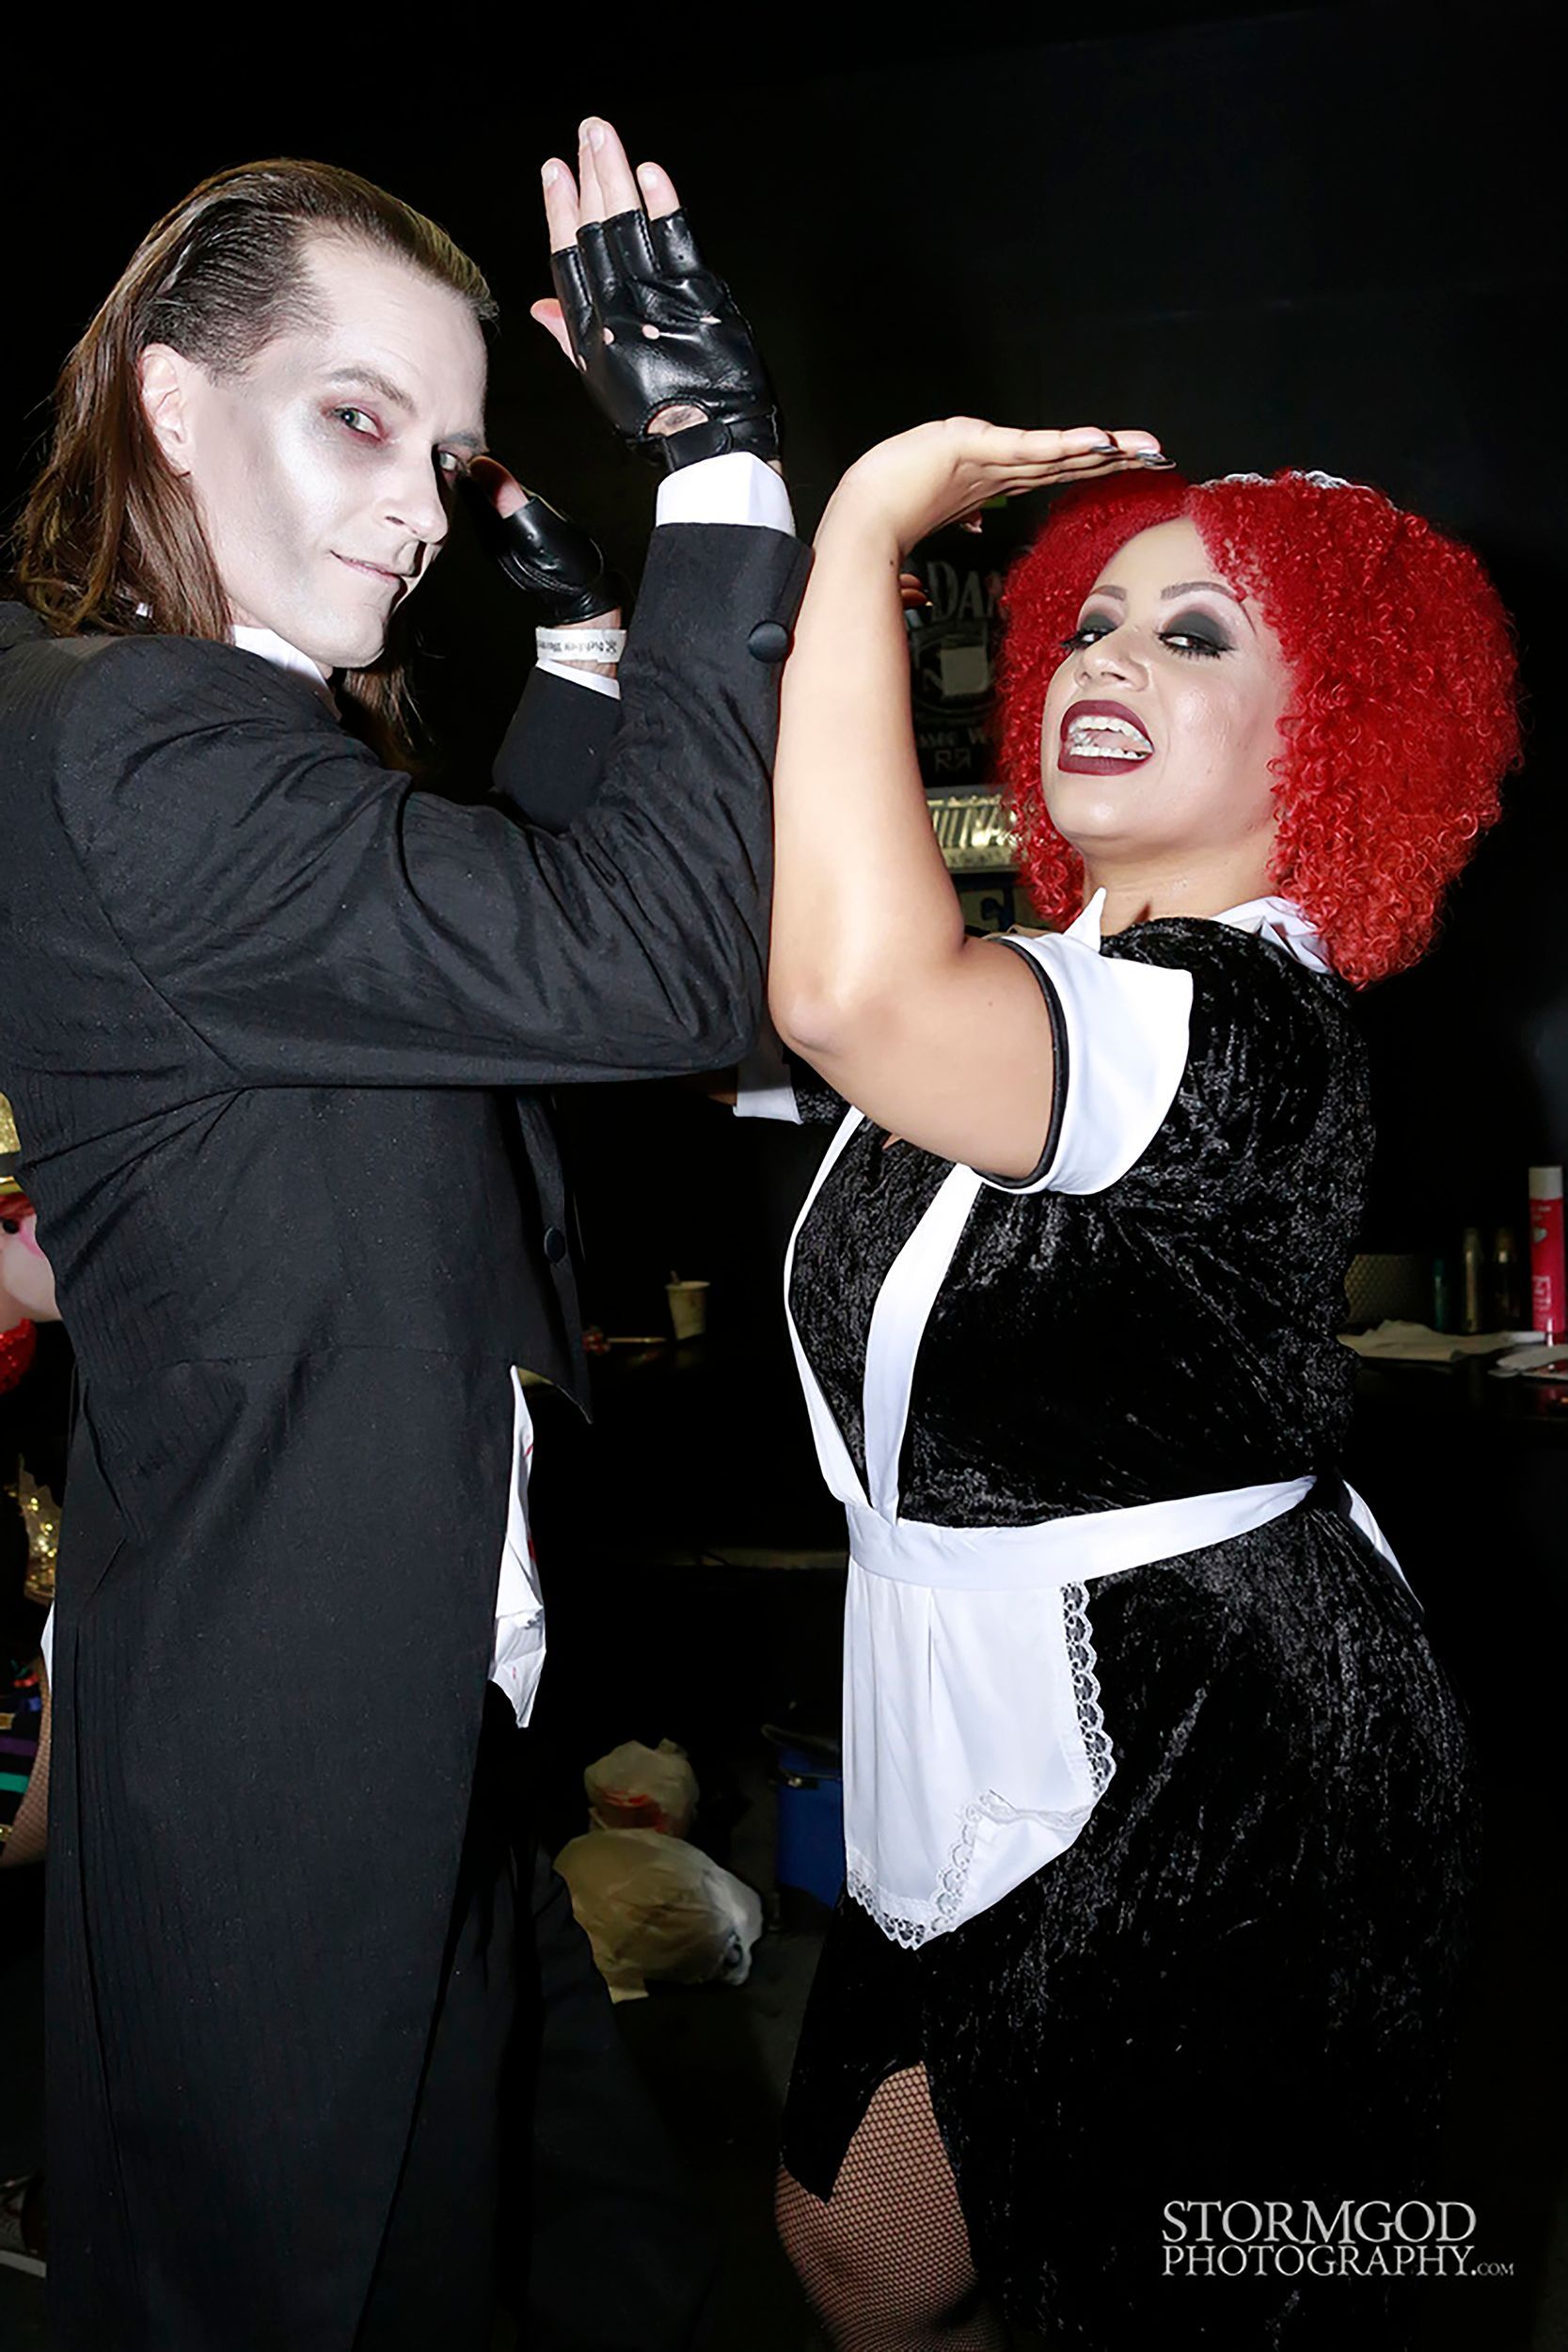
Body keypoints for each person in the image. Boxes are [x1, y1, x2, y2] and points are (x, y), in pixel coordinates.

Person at [0, 121, 807, 2349]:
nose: (412, 506)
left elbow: (454, 994)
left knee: (598, 2263)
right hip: (296, 1748)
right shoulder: (155, 741)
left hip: (396, 1705)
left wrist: (581, 650)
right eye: (354, 417)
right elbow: (646, 968)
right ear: (170, 398)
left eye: (448, 457)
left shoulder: (178, 728)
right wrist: (723, 463)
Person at [759, 421, 1519, 2347]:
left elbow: (845, 995)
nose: (1107, 661)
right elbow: (783, 951)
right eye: (1089, 624)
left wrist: (855, 533)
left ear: (1329, 731)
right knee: (862, 2241)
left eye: (1196, 638)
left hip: (1205, 1734)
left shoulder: (1251, 1021)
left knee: (1209, 2277)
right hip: (964, 1691)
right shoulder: (1038, 975)